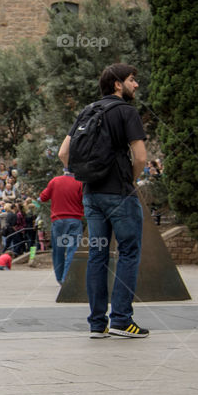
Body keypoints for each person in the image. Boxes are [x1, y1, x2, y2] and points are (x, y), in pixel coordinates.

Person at [59, 63, 148, 339]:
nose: (136, 85)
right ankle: (122, 318)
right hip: (119, 193)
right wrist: (128, 180)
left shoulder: (87, 110)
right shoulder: (126, 112)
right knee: (129, 252)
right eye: (132, 80)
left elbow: (64, 153)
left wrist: (88, 175)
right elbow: (141, 157)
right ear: (117, 84)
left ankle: (98, 324)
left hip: (91, 194)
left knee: (97, 255)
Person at [39, 169, 84, 285]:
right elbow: (84, 200)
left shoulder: (54, 181)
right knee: (72, 249)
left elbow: (43, 197)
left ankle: (59, 278)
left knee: (58, 250)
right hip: (75, 220)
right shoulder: (80, 182)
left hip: (58, 220)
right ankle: (66, 278)